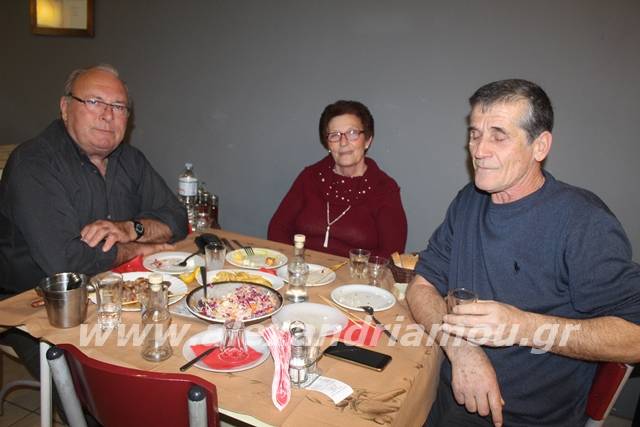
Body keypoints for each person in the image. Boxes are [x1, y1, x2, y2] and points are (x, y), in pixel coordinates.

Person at [406, 79, 640, 427]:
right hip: (448, 395)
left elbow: (635, 337)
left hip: (525, 418)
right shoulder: (469, 200)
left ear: (539, 146)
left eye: (498, 136)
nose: (479, 150)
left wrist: (521, 327)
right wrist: (461, 348)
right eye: (475, 134)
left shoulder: (582, 221)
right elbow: (422, 284)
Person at [0, 62, 188, 426]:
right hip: (35, 306)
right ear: (65, 107)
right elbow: (66, 262)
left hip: (113, 293)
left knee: (172, 358)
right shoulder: (34, 163)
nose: (107, 115)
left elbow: (176, 219)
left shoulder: (129, 159)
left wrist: (130, 228)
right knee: (101, 400)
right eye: (94, 101)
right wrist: (142, 247)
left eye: (118, 106)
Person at [268, 100, 407, 259]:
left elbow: (391, 256)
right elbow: (278, 228)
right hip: (302, 268)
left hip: (356, 274)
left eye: (352, 133)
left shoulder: (384, 190)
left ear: (367, 140)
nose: (343, 142)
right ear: (327, 143)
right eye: (335, 135)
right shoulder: (310, 177)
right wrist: (294, 263)